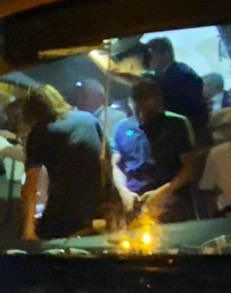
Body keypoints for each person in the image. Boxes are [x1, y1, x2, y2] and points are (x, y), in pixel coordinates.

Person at [20, 86, 104, 240]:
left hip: (63, 215)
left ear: (31, 112)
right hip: (95, 212)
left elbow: (30, 188)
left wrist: (28, 231)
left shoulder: (40, 131)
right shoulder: (90, 120)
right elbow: (107, 164)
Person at [111, 76, 197, 222]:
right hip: (134, 202)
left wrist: (163, 192)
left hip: (171, 202)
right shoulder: (123, 127)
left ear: (159, 102)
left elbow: (190, 167)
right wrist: (123, 190)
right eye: (138, 104)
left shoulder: (176, 124)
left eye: (147, 105)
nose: (142, 113)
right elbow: (117, 165)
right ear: (131, 102)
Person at [144, 36, 209, 138]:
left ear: (166, 54)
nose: (147, 61)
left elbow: (193, 107)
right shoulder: (167, 74)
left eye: (151, 56)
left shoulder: (182, 74)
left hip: (191, 132)